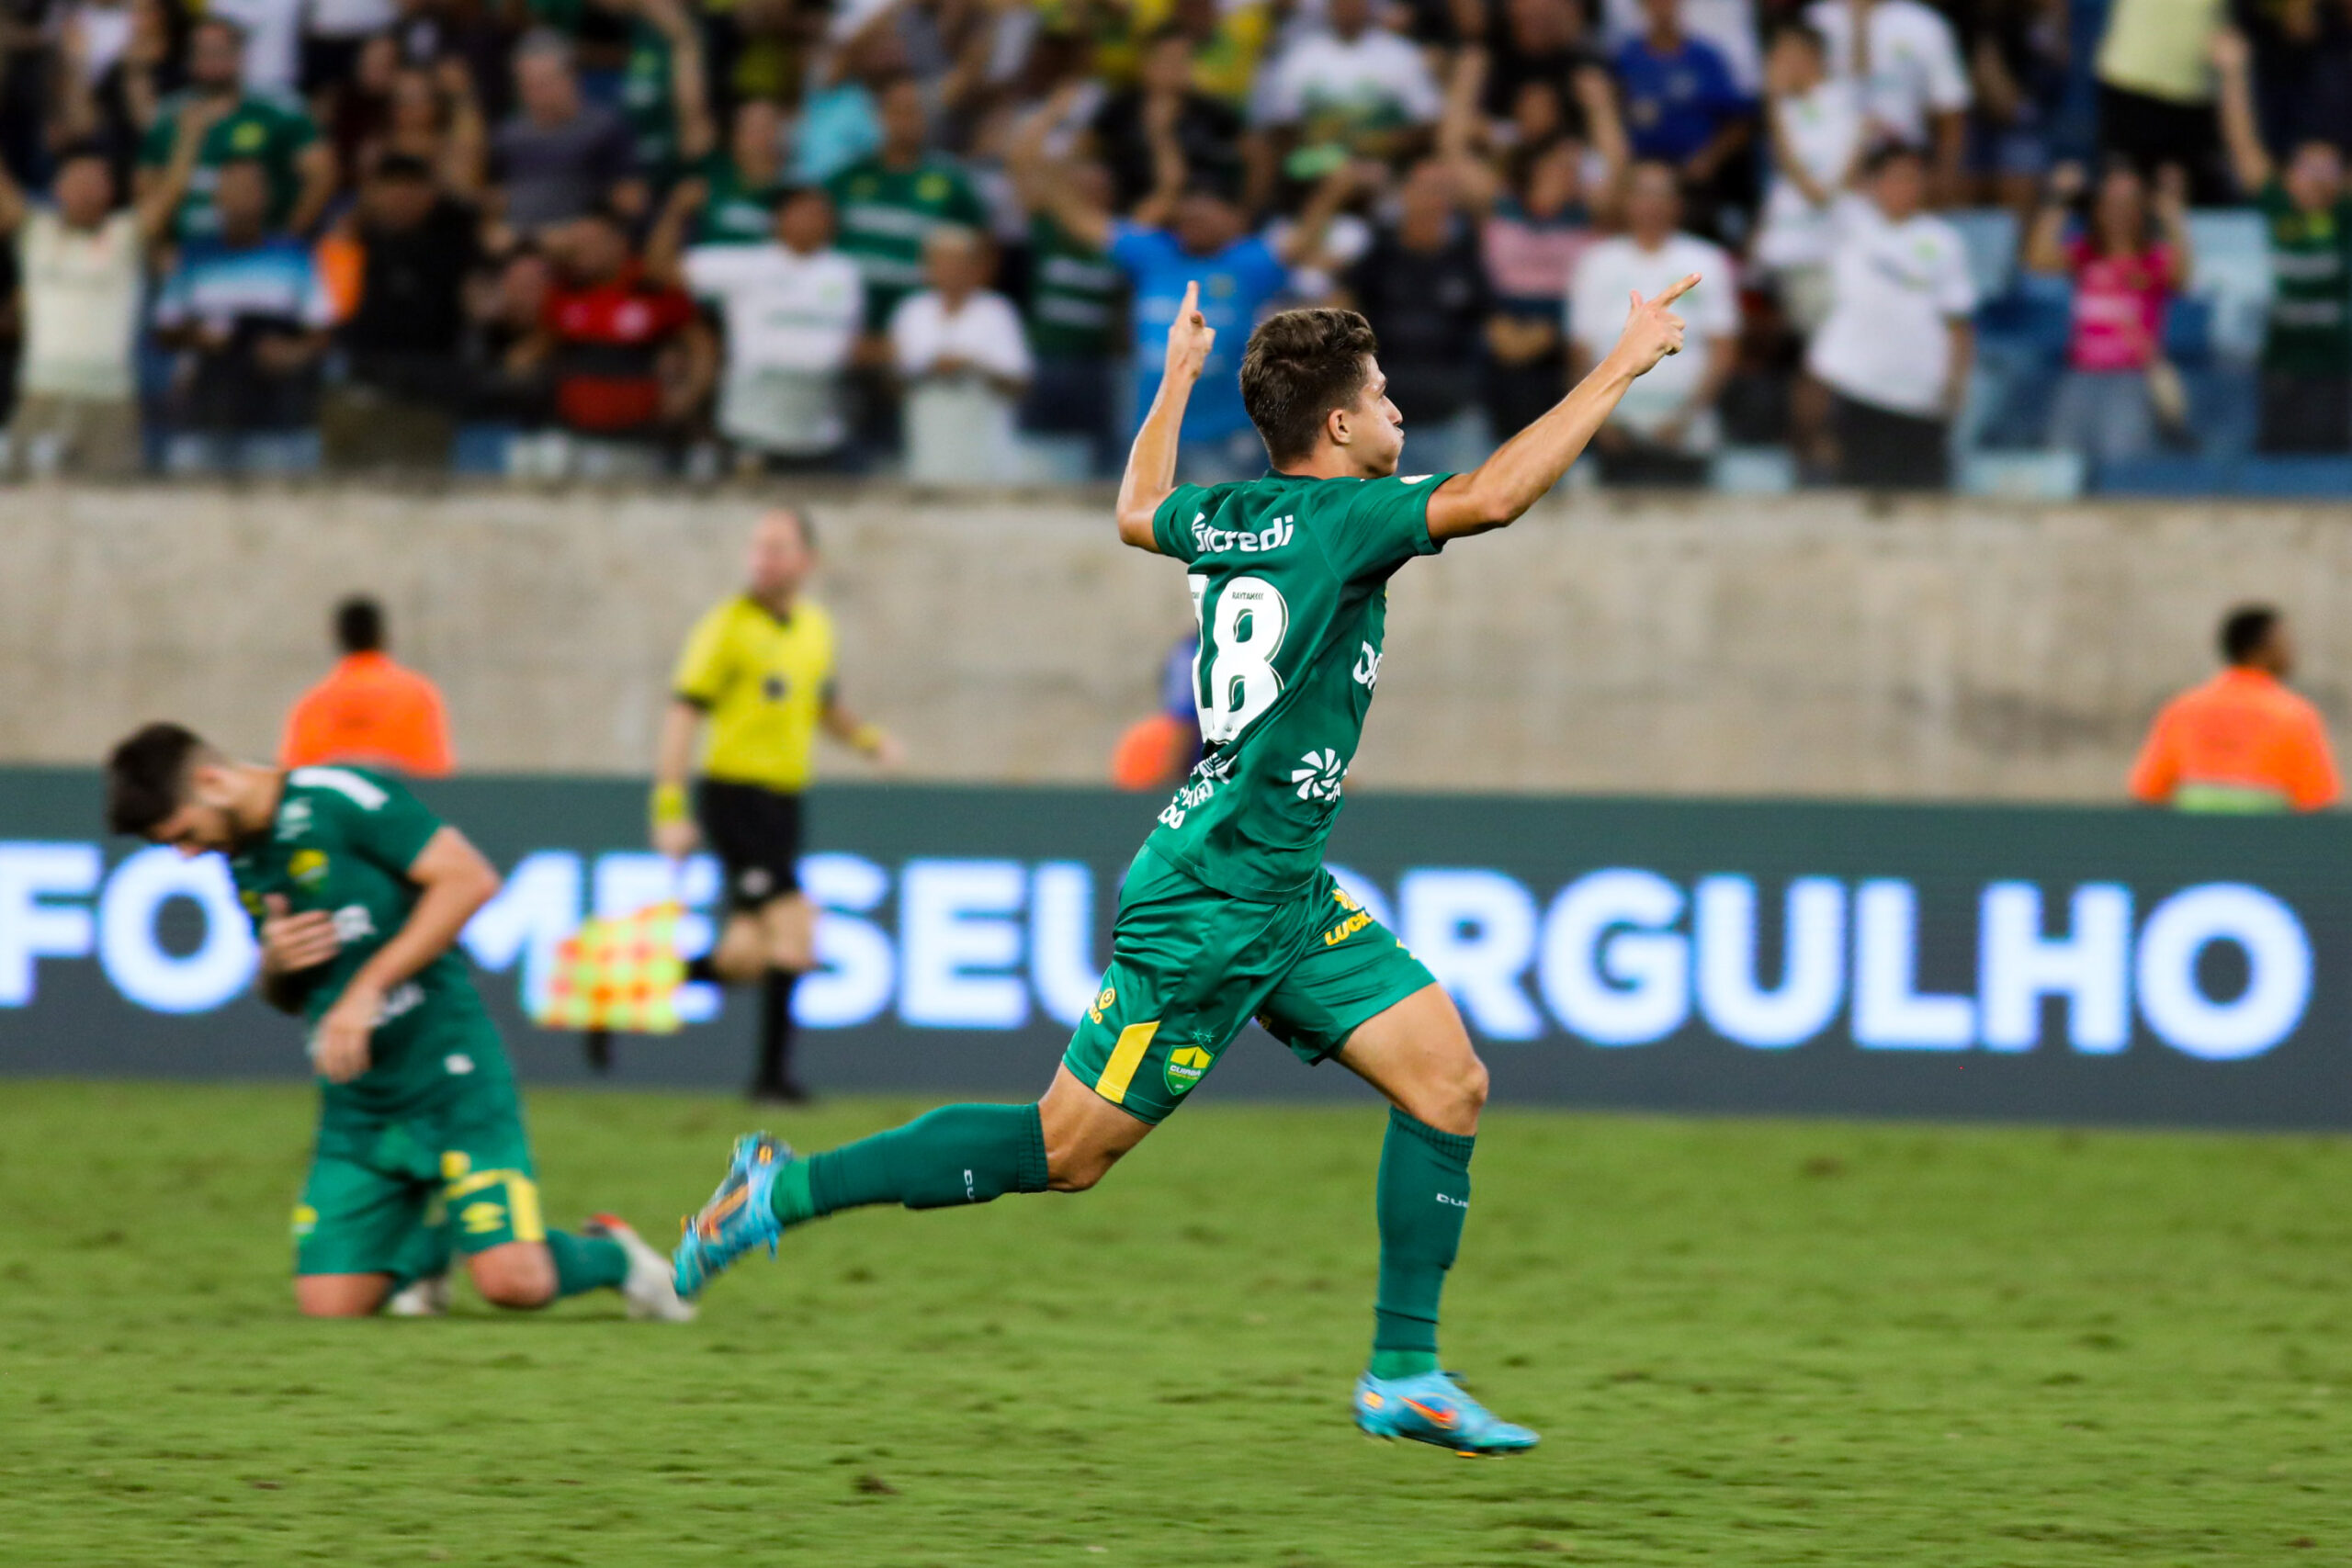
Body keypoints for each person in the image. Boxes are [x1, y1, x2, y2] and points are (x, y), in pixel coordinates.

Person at [670, 269, 1696, 1454]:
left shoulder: (1230, 514)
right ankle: (780, 1190)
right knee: (1064, 1152)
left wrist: (1173, 379)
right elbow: (1498, 495)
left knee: (1447, 1083)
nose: (1399, 411)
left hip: (1283, 890)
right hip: (1208, 902)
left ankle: (1404, 1373)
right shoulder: (1351, 520)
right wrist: (1622, 362)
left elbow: (1134, 508)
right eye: (1382, 395)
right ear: (1339, 427)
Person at [103, 722, 694, 1323]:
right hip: (359, 1102)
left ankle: (615, 1256)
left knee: (513, 1284)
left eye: (183, 834)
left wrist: (368, 988)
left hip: (450, 1072)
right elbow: (288, 998)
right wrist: (274, 965)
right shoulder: (245, 861)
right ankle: (437, 1248)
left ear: (211, 782)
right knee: (330, 1306)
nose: (186, 853)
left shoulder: (338, 798)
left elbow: (470, 879)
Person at [652, 508, 903, 1103]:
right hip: (735, 799)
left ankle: (628, 990)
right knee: (799, 927)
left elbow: (823, 705)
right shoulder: (726, 626)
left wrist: (870, 742)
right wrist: (669, 808)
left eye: (776, 548)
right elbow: (683, 714)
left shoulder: (815, 627)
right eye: (757, 547)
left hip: (785, 804)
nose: (762, 559)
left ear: (806, 560)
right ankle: (771, 1081)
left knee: (744, 955)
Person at [1031, 161, 1362, 479]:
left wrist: (1333, 192)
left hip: (1223, 433)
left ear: (1234, 220)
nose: (1193, 224)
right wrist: (1040, 163)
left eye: (1204, 217)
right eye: (1188, 218)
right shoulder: (1152, 254)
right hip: (1152, 432)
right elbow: (1081, 223)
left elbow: (1303, 239)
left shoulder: (1248, 264)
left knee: (1223, 513)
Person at [0, 107, 209, 479]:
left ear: (111, 191)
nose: (85, 191)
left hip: (111, 403)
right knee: (26, 496)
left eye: (95, 181)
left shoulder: (126, 235)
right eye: (77, 180)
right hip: (42, 394)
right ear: (58, 188)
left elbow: (172, 193)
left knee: (113, 498)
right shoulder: (36, 232)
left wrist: (189, 139)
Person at [2211, 29, 2352, 454]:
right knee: (2278, 463)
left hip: (2339, 369)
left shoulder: (2344, 216)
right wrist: (2233, 74)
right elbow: (2242, 145)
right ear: (2290, 175)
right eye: (2309, 167)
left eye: (2329, 169)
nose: (2319, 178)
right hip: (2283, 368)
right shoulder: (2279, 207)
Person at [1804, 143, 1975, 488]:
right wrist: (1861, 137)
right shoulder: (1847, 226)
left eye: (1913, 179)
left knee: (1923, 500)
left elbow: (1958, 319)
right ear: (1873, 183)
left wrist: (1956, 383)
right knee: (1854, 495)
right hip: (1856, 386)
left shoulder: (1943, 240)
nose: (1905, 188)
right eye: (1896, 178)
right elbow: (1820, 192)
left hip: (1921, 394)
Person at [151, 158, 334, 476]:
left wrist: (293, 353)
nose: (242, 198)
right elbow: (164, 330)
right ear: (217, 198)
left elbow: (323, 331)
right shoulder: (192, 257)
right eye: (233, 188)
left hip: (278, 416)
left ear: (266, 196)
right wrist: (199, 337)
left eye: (250, 188)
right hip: (206, 412)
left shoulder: (294, 257)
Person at [1566, 160, 1737, 484]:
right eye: (1643, 193)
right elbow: (1579, 351)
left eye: (1662, 194)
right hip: (1611, 428)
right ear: (1625, 200)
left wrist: (1687, 417)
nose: (1652, 204)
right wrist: (1600, 421)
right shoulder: (1596, 263)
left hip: (1688, 430)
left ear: (1678, 203)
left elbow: (1724, 350)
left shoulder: (1707, 261)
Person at [673, 185, 865, 472]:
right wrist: (678, 211)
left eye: (823, 214)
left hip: (819, 431)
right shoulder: (749, 264)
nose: (818, 220)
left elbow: (847, 341)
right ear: (780, 218)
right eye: (807, 212)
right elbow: (664, 271)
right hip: (751, 427)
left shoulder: (845, 272)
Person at [514, 205, 714, 477]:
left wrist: (689, 393)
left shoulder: (649, 287)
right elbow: (536, 346)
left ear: (618, 243)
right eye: (576, 244)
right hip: (572, 434)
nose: (580, 251)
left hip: (637, 438)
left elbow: (700, 344)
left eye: (591, 243)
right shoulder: (565, 291)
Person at [2023, 159, 2192, 468]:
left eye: (2128, 203)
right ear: (2098, 209)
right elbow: (2037, 258)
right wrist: (2060, 199)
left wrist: (2172, 215)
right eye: (2111, 202)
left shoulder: (2153, 259)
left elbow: (2183, 277)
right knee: (2060, 460)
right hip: (2081, 375)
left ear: (2141, 209)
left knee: (2121, 463)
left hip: (2132, 377)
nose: (2118, 212)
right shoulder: (2085, 254)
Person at [323, 152, 481, 470]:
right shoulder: (352, 244)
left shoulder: (456, 241)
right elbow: (331, 312)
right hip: (366, 374)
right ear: (375, 194)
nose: (402, 200)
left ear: (430, 195)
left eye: (412, 190)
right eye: (393, 189)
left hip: (435, 377)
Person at [1340, 157, 1491, 473]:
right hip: (1382, 415)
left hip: (1453, 413)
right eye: (1426, 189)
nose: (1433, 200)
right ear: (1405, 194)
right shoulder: (1376, 255)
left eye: (1442, 191)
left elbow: (1493, 325)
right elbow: (1341, 316)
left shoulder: (1467, 258)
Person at [136, 16, 335, 241]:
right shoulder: (168, 116)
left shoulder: (276, 111)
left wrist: (287, 237)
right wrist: (161, 246)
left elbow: (322, 175)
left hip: (260, 246)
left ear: (239, 54)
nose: (211, 60)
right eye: (202, 51)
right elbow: (144, 188)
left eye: (219, 51)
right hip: (185, 250)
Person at [2130, 605, 2340, 812]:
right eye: (2286, 643)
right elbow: (2318, 800)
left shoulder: (2182, 709)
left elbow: (2148, 790)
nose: (2292, 651)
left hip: (2192, 834)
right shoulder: (2295, 715)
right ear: (2262, 649)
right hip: (2267, 835)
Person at [824, 75, 989, 332]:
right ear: (879, 116)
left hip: (923, 320)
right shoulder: (846, 179)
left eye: (914, 112)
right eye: (897, 111)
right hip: (848, 316)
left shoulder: (952, 183)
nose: (905, 122)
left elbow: (980, 249)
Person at [889, 225, 1035, 484]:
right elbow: (893, 382)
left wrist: (973, 365)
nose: (950, 270)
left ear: (974, 267)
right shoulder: (911, 312)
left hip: (986, 450)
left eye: (957, 263)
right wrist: (930, 367)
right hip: (928, 445)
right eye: (941, 262)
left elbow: (1020, 383)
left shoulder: (997, 312)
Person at [1803, 0, 1970, 204]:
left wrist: (1945, 175)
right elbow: (1790, 96)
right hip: (1827, 167)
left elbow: (1950, 107)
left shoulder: (1925, 24)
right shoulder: (1815, 19)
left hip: (1902, 168)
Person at [280, 596, 457, 776]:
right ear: (382, 635)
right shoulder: (418, 696)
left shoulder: (313, 704)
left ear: (340, 637)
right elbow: (436, 773)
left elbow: (294, 778)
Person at [491, 30, 642, 236]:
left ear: (570, 78)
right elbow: (495, 198)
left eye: (545, 84)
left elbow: (631, 201)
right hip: (521, 242)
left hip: (581, 240)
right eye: (528, 86)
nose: (537, 95)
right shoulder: (508, 136)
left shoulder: (605, 129)